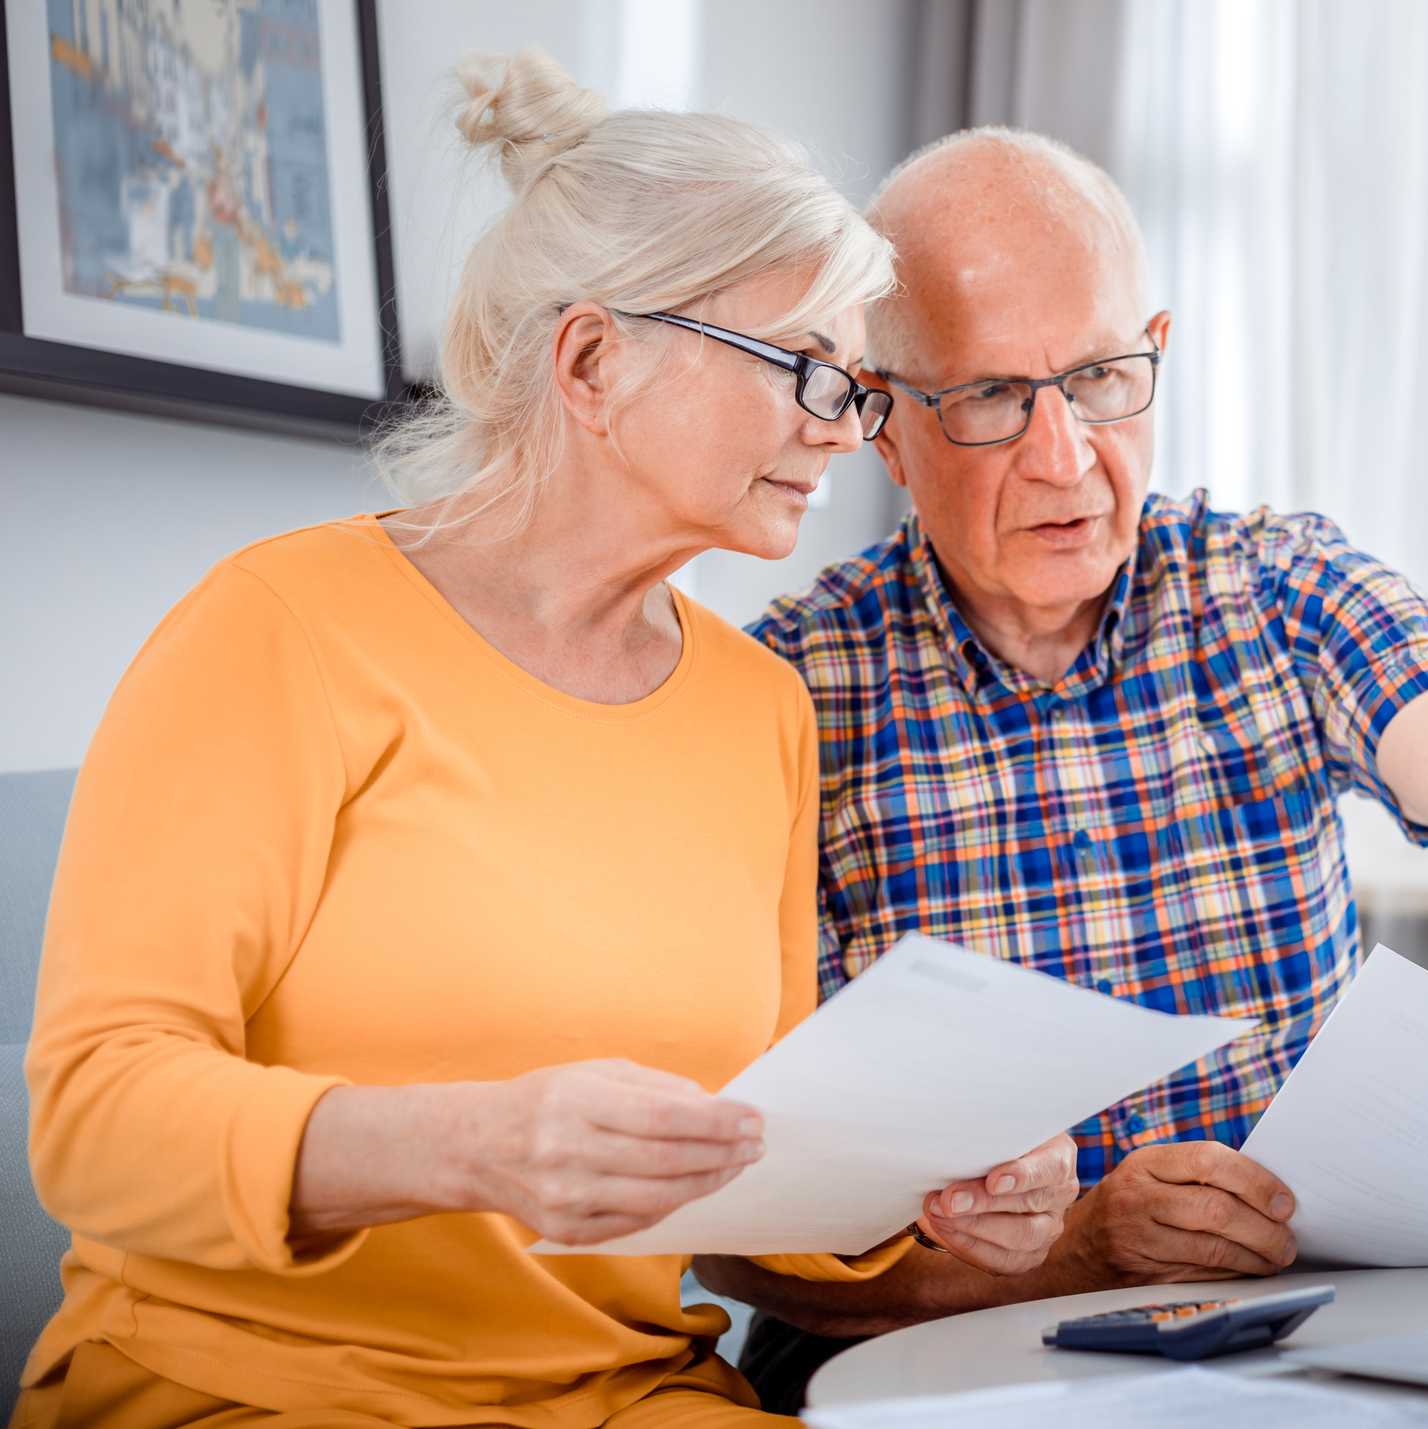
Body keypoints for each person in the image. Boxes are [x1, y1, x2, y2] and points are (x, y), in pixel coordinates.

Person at [707, 127, 1428, 1411]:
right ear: (883, 423)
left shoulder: (1273, 588)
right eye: (987, 398)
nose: (1066, 457)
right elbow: (728, 1227)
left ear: (1155, 348)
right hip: (951, 1383)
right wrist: (1068, 1256)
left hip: (1307, 1354)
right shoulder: (784, 696)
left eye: (1099, 378)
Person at [12, 59, 1073, 1429]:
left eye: (854, 388)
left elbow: (752, 1173)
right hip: (247, 1392)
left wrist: (925, 1190)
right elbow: (93, 1123)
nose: (841, 432)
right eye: (802, 369)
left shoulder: (758, 709)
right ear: (591, 360)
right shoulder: (278, 629)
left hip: (627, 1397)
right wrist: (467, 1146)